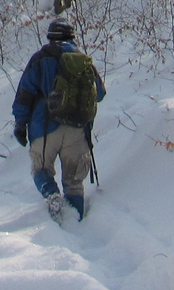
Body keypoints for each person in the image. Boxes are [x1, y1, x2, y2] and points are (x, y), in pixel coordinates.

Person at [11, 19, 105, 222]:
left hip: (45, 128)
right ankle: (76, 224)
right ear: (72, 37)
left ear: (51, 37)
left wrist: (20, 124)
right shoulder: (84, 61)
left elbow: (24, 94)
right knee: (74, 181)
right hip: (77, 130)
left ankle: (52, 195)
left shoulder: (40, 59)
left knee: (41, 169)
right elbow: (100, 93)